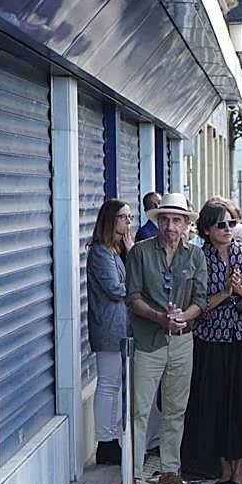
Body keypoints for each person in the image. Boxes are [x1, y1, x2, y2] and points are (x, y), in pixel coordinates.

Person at [180, 197, 242, 484]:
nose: (227, 229)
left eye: (232, 223)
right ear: (206, 228)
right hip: (210, 342)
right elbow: (194, 305)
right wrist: (225, 292)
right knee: (215, 406)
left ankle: (240, 472)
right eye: (220, 224)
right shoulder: (197, 258)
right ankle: (223, 471)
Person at [125, 193, 208, 484]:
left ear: (186, 224)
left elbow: (201, 299)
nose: (171, 226)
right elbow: (132, 296)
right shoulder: (141, 252)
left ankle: (170, 470)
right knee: (139, 409)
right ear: (157, 221)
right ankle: (131, 474)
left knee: (176, 408)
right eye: (165, 219)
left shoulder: (195, 255)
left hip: (182, 340)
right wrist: (161, 318)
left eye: (177, 220)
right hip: (149, 340)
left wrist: (182, 317)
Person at [86, 199, 136, 465]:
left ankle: (113, 437)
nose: (128, 223)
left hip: (122, 326)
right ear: (111, 220)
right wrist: (137, 281)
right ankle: (104, 443)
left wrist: (130, 252)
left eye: (129, 217)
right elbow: (117, 289)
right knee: (107, 384)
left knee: (116, 385)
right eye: (124, 217)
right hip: (108, 327)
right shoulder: (100, 253)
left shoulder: (116, 251)